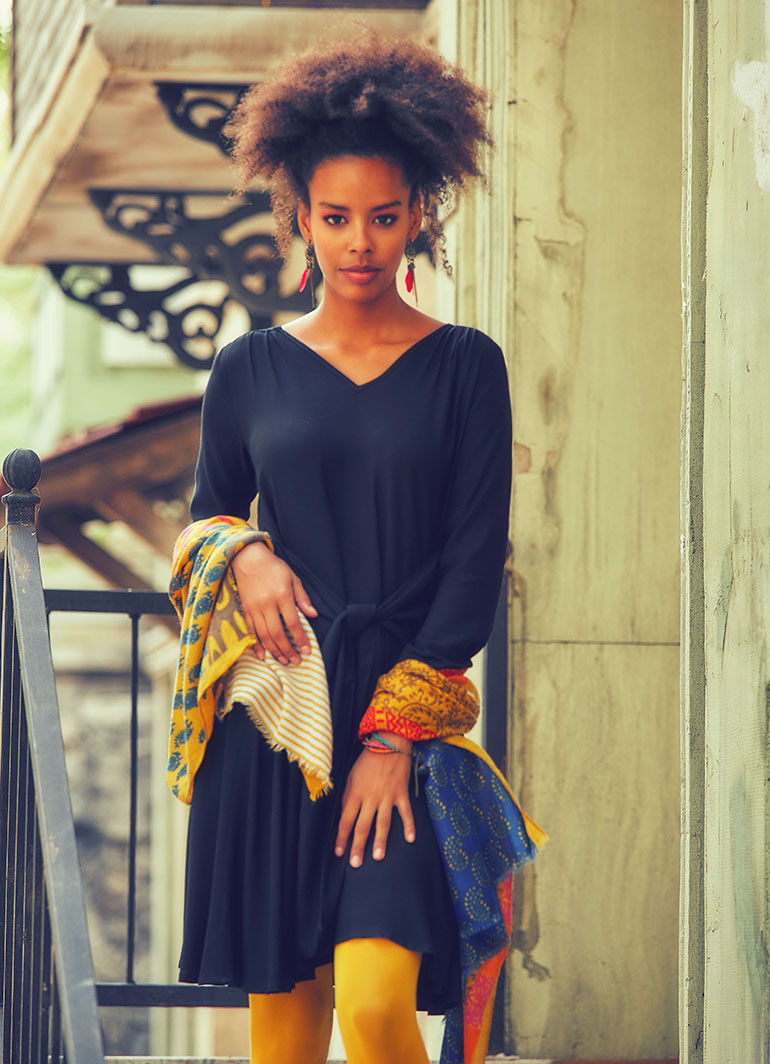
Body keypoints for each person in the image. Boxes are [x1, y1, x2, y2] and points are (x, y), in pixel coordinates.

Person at [169, 27, 542, 1064]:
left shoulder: (467, 366)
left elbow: (473, 566)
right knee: (284, 1034)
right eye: (334, 217)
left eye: (383, 216)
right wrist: (244, 553)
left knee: (376, 1006)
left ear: (419, 211)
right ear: (299, 216)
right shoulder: (247, 368)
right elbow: (203, 518)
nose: (360, 242)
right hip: (281, 727)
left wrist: (391, 737)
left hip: (399, 728)